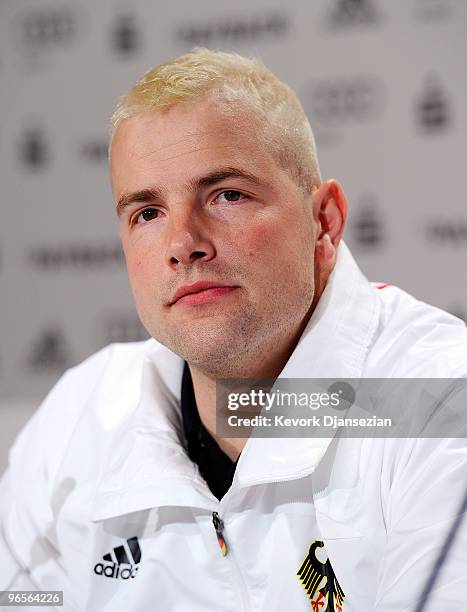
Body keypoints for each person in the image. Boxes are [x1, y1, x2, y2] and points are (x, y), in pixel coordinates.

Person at [1, 49, 466, 612]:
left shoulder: (440, 401)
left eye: (226, 196)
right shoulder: (78, 417)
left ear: (325, 222)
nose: (183, 244)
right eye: (147, 213)